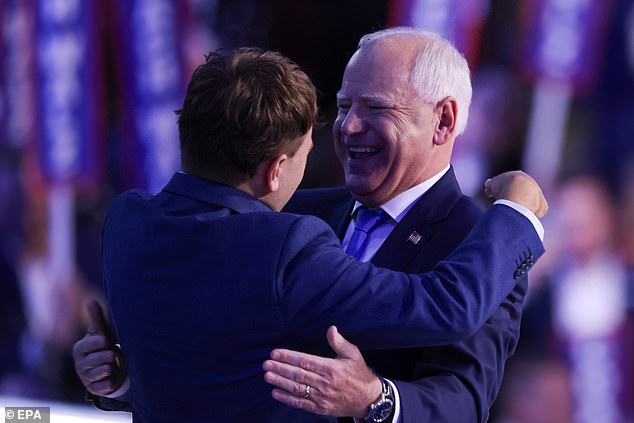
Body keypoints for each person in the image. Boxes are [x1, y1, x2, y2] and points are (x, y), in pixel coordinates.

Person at [75, 45, 546, 422]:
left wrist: (374, 400)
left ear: (443, 120)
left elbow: (464, 404)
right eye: (343, 106)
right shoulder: (284, 227)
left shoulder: (483, 249)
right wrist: (519, 212)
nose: (348, 127)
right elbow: (447, 305)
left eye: (376, 107)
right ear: (276, 170)